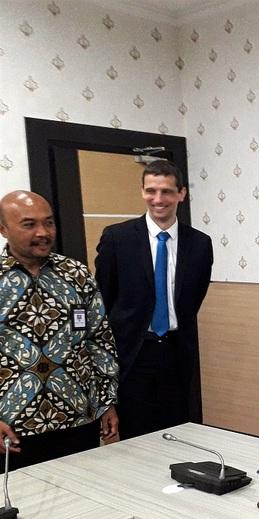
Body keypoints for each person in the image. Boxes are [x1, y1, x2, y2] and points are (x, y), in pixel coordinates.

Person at [0, 191, 119, 470]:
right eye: (29, 224)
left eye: (49, 222)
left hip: (78, 419)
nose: (43, 232)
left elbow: (99, 340)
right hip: (15, 426)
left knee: (86, 491)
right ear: (3, 229)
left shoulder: (76, 274)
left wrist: (106, 402)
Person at [95, 159, 213, 439]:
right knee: (136, 437)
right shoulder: (117, 238)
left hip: (176, 352)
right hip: (133, 355)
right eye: (151, 191)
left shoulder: (199, 244)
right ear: (142, 191)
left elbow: (192, 300)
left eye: (167, 191)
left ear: (181, 194)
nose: (158, 199)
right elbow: (102, 302)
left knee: (179, 433)